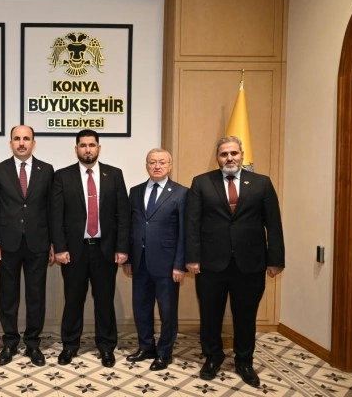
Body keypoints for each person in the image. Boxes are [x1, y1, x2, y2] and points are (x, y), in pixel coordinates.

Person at [186, 136, 285, 388]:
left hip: (250, 264)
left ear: (242, 155)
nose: (229, 158)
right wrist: (192, 258)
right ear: (217, 157)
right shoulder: (201, 182)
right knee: (210, 314)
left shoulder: (262, 183)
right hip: (211, 264)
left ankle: (244, 361)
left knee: (246, 316)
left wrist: (275, 259)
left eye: (233, 153)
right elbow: (192, 224)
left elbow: (273, 224)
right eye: (224, 154)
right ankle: (213, 357)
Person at [51, 129, 130, 368]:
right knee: (73, 299)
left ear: (99, 148)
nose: (87, 149)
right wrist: (60, 248)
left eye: (92, 145)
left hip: (105, 250)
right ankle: (69, 345)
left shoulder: (114, 175)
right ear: (76, 149)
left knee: (104, 301)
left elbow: (122, 214)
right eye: (83, 145)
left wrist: (122, 247)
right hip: (74, 251)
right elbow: (56, 216)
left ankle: (106, 347)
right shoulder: (62, 176)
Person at [0, 125, 54, 367]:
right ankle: (9, 342)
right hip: (8, 244)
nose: (21, 143)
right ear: (11, 143)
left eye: (26, 138)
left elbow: (52, 209)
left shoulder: (46, 170)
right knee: (8, 296)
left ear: (33, 143)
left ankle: (33, 344)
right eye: (17, 138)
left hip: (38, 243)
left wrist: (53, 243)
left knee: (36, 296)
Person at [124, 149, 187, 371]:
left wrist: (180, 264)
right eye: (152, 162)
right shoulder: (135, 191)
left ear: (170, 166)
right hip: (140, 261)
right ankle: (146, 347)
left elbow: (184, 232)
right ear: (146, 165)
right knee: (141, 307)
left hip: (168, 264)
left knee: (167, 311)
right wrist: (128, 258)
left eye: (162, 162)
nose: (157, 166)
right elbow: (130, 226)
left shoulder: (181, 193)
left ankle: (164, 353)